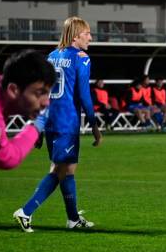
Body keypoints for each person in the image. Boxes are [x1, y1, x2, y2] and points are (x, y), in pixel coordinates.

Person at [13, 16, 103, 233]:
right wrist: (93, 124)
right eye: (87, 34)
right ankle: (25, 211)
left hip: (50, 120)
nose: (90, 37)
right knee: (59, 170)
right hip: (67, 122)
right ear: (75, 36)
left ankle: (73, 219)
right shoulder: (81, 58)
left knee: (67, 170)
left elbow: (41, 93)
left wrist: (39, 127)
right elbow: (84, 95)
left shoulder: (51, 57)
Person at [0, 51, 55, 170]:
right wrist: (35, 127)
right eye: (40, 93)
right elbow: (7, 159)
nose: (46, 102)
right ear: (13, 90)